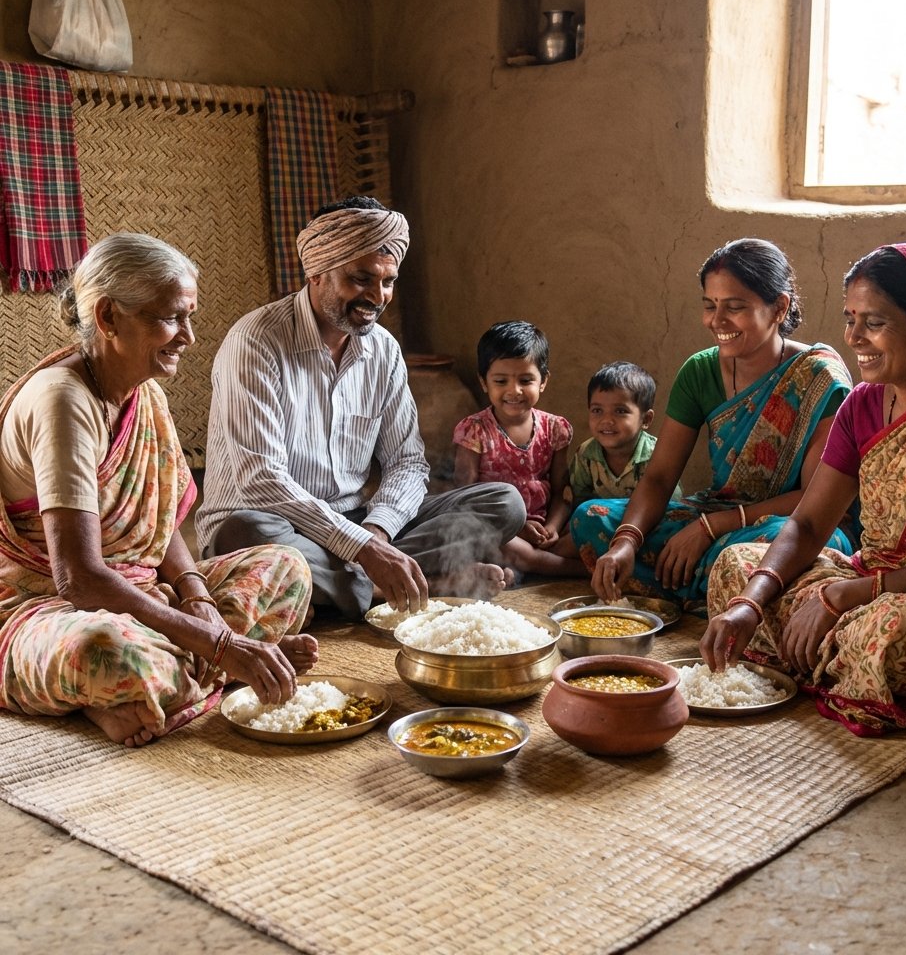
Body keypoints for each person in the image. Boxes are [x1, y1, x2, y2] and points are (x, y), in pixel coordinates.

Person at [0, 233, 316, 748]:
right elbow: (78, 580)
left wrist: (197, 599)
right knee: (105, 647)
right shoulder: (62, 402)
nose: (188, 336)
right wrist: (219, 643)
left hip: (142, 592)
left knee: (287, 566)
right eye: (170, 317)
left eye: (188, 316)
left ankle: (163, 686)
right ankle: (193, 673)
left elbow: (159, 518)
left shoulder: (144, 394)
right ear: (107, 317)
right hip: (46, 606)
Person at [701, 243, 906, 735]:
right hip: (872, 584)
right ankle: (835, 658)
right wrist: (749, 602)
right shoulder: (863, 405)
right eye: (850, 318)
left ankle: (816, 653)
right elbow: (808, 524)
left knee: (895, 631)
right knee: (738, 567)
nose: (853, 337)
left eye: (873, 322)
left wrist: (842, 598)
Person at [196, 197, 526, 619]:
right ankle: (395, 585)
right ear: (315, 272)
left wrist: (376, 532)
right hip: (271, 524)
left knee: (503, 503)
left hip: (355, 520)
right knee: (248, 533)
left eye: (388, 281)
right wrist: (364, 549)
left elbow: (407, 462)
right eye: (361, 279)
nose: (378, 296)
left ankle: (349, 586)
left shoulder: (383, 350)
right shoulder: (255, 341)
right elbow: (262, 481)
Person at [574, 238, 856, 608]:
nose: (717, 321)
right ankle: (721, 592)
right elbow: (659, 478)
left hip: (792, 524)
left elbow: (811, 499)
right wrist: (627, 541)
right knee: (591, 517)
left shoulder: (820, 378)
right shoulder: (699, 370)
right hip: (717, 510)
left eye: (734, 307)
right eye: (709, 306)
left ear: (778, 308)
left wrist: (710, 528)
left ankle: (699, 585)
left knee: (754, 554)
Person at [453, 320, 583, 576]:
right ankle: (579, 571)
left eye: (526, 379)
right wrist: (518, 527)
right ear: (484, 382)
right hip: (498, 529)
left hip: (543, 525)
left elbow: (562, 492)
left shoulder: (555, 428)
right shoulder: (475, 430)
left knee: (586, 526)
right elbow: (464, 498)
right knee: (509, 548)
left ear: (543, 380)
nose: (514, 390)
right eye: (501, 381)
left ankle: (536, 561)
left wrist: (553, 528)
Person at [565, 360, 684, 509]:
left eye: (620, 411)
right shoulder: (586, 454)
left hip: (648, 521)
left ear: (646, 419)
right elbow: (579, 500)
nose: (607, 420)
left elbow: (671, 505)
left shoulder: (657, 456)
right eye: (597, 410)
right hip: (602, 521)